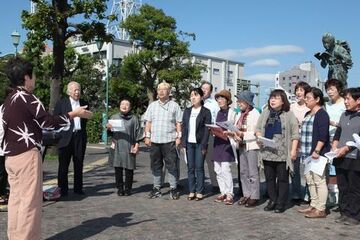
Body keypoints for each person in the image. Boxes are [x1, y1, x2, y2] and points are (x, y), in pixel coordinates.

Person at [0, 57, 91, 240]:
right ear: (26, 77)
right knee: (30, 204)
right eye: (33, 75)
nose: (34, 79)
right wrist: (75, 114)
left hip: (10, 157)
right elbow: (48, 123)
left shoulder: (7, 100)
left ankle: (15, 236)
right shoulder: (28, 98)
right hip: (27, 156)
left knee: (16, 201)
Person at [255, 89, 299, 213]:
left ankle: (281, 202)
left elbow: (295, 135)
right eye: (271, 98)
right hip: (267, 151)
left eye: (276, 98)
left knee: (282, 179)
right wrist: (259, 137)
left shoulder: (289, 114)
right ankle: (272, 199)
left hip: (282, 153)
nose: (272, 100)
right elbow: (258, 128)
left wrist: (293, 150)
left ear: (283, 100)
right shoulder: (265, 113)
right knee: (269, 178)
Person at [144, 82, 182, 200]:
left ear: (169, 92)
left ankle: (173, 188)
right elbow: (148, 122)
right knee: (156, 165)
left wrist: (178, 137)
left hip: (169, 140)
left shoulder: (175, 105)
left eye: (164, 89)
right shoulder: (152, 105)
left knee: (172, 165)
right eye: (159, 89)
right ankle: (156, 188)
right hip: (155, 141)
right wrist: (147, 136)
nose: (161, 91)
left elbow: (178, 123)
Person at [297, 87, 330, 218]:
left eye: (308, 98)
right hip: (306, 153)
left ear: (317, 99)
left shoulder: (322, 114)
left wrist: (317, 150)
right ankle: (313, 204)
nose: (306, 100)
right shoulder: (307, 114)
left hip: (317, 153)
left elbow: (323, 135)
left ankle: (321, 208)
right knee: (310, 180)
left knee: (319, 181)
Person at [54, 81, 89, 196]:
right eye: (75, 90)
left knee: (79, 163)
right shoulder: (61, 103)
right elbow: (56, 119)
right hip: (65, 137)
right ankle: (62, 190)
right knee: (63, 164)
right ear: (69, 92)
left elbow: (88, 116)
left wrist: (87, 114)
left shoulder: (84, 103)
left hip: (79, 136)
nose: (77, 92)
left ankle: (78, 188)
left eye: (79, 90)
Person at [332, 87, 360, 225]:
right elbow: (338, 133)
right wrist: (334, 146)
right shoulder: (344, 115)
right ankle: (344, 212)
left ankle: (354, 215)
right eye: (345, 99)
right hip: (340, 156)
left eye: (348, 99)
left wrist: (346, 148)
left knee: (354, 187)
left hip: (355, 157)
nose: (346, 101)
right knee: (342, 186)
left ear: (358, 100)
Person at [106, 98, 142, 196]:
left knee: (129, 168)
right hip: (117, 145)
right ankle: (120, 188)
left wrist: (137, 146)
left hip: (129, 146)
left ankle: (128, 188)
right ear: (119, 105)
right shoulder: (114, 117)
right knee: (118, 168)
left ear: (130, 107)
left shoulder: (134, 118)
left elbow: (138, 133)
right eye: (122, 104)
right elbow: (109, 133)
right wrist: (108, 128)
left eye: (127, 104)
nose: (124, 106)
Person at [181, 88, 211, 201]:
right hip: (189, 143)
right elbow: (184, 127)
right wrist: (183, 143)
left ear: (202, 97)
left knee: (199, 167)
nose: (193, 98)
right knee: (190, 168)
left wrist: (204, 145)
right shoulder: (187, 111)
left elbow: (207, 130)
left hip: (199, 144)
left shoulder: (205, 112)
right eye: (191, 96)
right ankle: (191, 190)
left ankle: (200, 191)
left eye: (196, 95)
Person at [233, 90, 260, 207]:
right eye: (238, 101)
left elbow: (256, 132)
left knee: (253, 172)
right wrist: (233, 133)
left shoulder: (255, 114)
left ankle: (254, 196)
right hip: (241, 145)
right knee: (243, 171)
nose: (239, 103)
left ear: (247, 103)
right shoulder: (239, 114)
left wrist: (243, 134)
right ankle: (246, 193)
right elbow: (236, 127)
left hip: (252, 146)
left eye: (241, 101)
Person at [212, 89, 237, 205]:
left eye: (222, 98)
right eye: (218, 98)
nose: (220, 100)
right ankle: (223, 191)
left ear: (228, 101)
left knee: (226, 169)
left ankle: (230, 194)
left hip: (227, 144)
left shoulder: (232, 113)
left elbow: (234, 128)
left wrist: (228, 130)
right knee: (217, 169)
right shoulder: (218, 112)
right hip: (217, 142)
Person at [324, 78, 345, 206]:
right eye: (328, 89)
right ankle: (331, 196)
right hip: (327, 138)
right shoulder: (327, 104)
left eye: (332, 89)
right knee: (329, 167)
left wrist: (334, 123)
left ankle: (339, 196)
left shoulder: (344, 103)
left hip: (340, 138)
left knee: (338, 167)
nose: (329, 92)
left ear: (339, 90)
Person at [290, 81, 311, 203]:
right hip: (294, 142)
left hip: (307, 141)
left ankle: (308, 194)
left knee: (308, 169)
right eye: (297, 90)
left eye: (301, 90)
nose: (298, 92)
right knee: (294, 169)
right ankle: (296, 192)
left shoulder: (310, 107)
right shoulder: (292, 106)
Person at [201, 81, 221, 193]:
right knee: (198, 161)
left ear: (210, 91)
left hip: (210, 134)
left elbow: (218, 120)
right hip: (198, 135)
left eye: (206, 88)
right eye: (202, 88)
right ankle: (200, 184)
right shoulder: (196, 102)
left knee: (210, 160)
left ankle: (215, 184)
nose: (204, 90)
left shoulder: (214, 104)